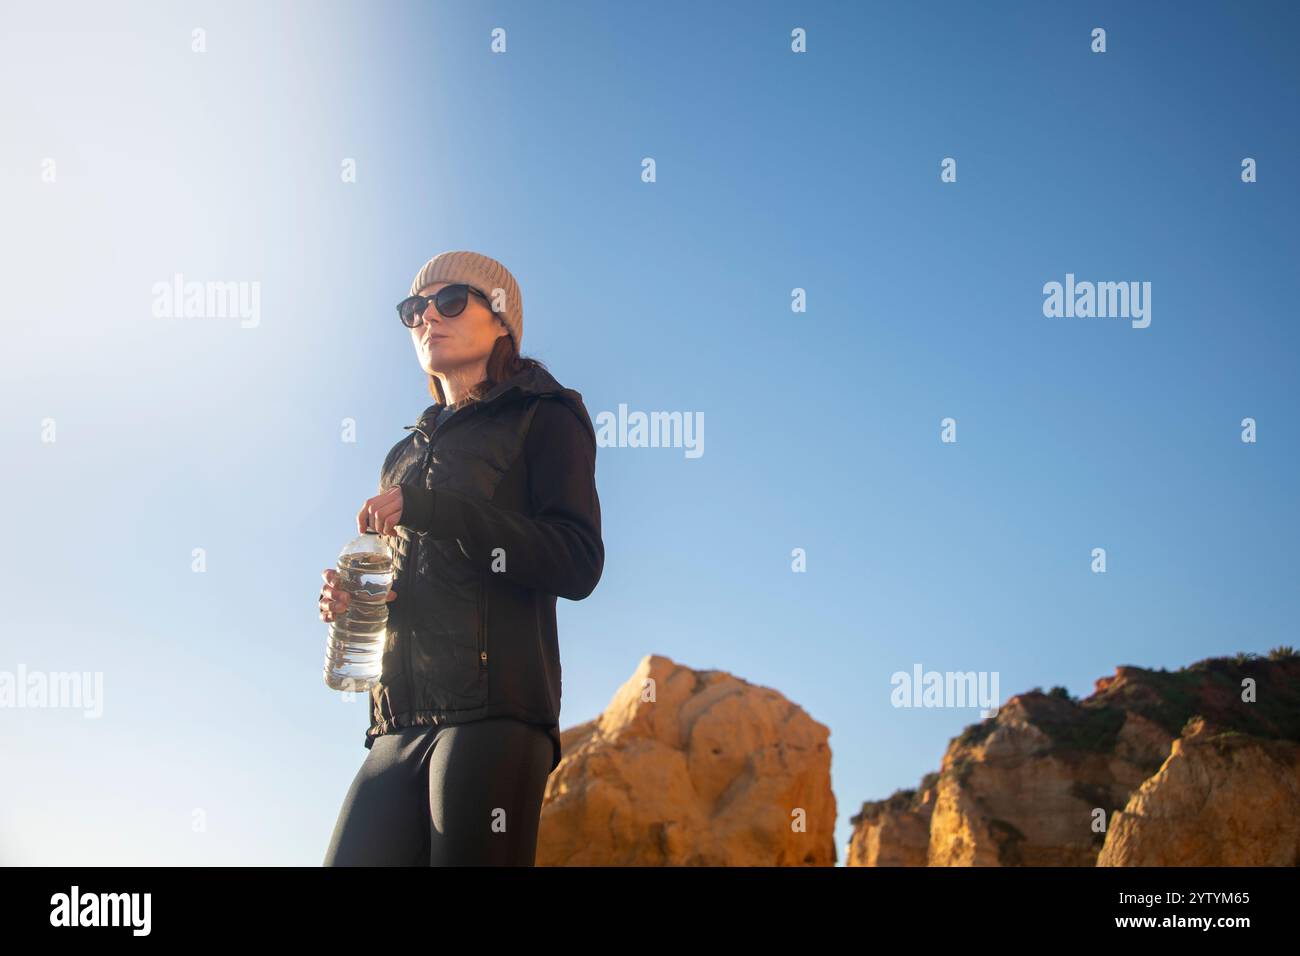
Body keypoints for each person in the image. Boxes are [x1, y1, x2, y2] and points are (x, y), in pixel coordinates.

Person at [318, 250, 604, 866]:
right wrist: (357, 605)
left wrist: (433, 510)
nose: (427, 318)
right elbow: (417, 581)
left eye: (450, 301)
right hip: (395, 724)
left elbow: (577, 561)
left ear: (500, 318)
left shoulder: (545, 413)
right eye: (413, 309)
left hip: (493, 716)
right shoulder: (404, 453)